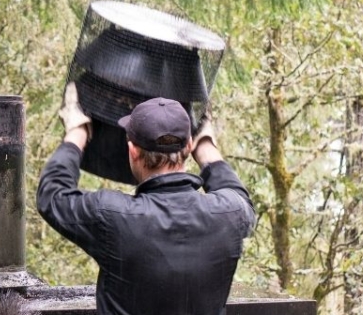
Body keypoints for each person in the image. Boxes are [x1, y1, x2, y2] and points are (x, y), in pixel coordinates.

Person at [37, 82, 255, 315]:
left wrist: (76, 132)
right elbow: (238, 195)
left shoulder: (112, 217)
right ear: (188, 145)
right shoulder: (231, 213)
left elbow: (52, 195)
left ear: (132, 151)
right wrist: (206, 145)